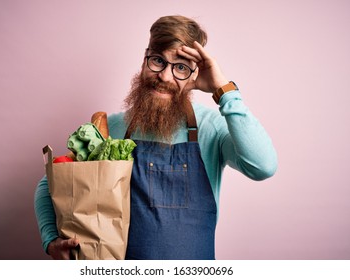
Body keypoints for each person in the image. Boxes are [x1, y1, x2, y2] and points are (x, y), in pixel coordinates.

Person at [34, 15, 278, 260]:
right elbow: (51, 183)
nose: (165, 76)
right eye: (158, 61)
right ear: (145, 59)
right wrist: (51, 239)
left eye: (181, 67)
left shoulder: (210, 127)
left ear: (195, 75)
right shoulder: (113, 128)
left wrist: (223, 90)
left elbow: (263, 166)